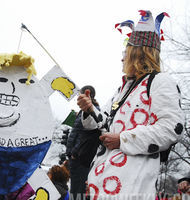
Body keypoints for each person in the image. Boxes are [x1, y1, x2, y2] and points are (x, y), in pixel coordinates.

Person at [77, 10, 184, 198]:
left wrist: (123, 139)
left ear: (138, 54)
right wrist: (89, 109)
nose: (122, 58)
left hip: (131, 186)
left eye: (125, 53)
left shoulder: (160, 82)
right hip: (101, 184)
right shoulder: (122, 90)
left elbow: (171, 128)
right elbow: (104, 125)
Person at [66, 85, 101, 200]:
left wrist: (75, 153)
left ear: (87, 94)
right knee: (75, 190)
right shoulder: (83, 111)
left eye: (80, 94)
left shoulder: (92, 112)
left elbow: (86, 135)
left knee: (78, 192)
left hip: (81, 158)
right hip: (76, 157)